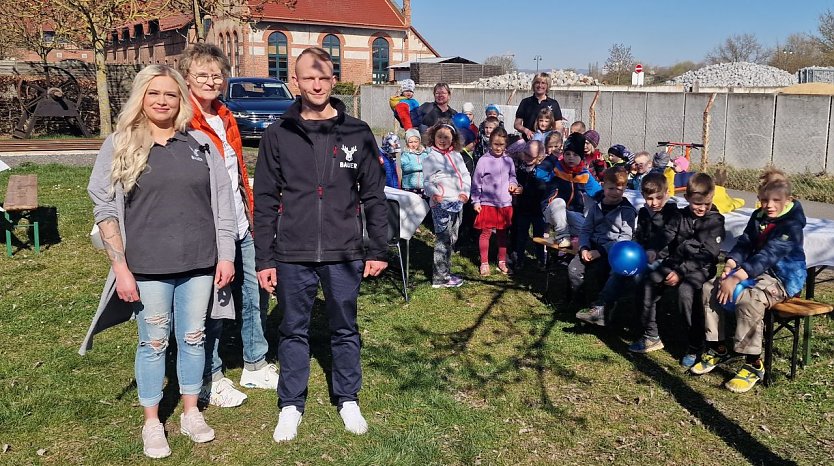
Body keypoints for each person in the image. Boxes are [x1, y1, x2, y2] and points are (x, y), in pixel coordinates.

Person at [84, 65, 237, 458]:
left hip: (199, 263)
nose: (162, 101)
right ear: (141, 97)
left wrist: (226, 256)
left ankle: (190, 411)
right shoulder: (120, 144)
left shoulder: (200, 144)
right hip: (147, 267)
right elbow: (105, 209)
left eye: (170, 94)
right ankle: (152, 421)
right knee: (153, 342)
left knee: (194, 337)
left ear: (181, 99)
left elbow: (223, 206)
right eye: (154, 93)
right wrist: (120, 268)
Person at [253, 47, 388, 442]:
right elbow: (265, 199)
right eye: (308, 78)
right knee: (293, 329)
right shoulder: (278, 133)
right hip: (292, 251)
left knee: (345, 327)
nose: (316, 85)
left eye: (323, 77)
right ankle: (291, 404)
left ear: (334, 80)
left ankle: (347, 398)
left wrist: (377, 248)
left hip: (344, 250)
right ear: (295, 81)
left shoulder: (357, 132)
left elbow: (374, 195)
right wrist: (265, 258)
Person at [179, 42, 278, 410]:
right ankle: (211, 376)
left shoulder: (225, 115)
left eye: (216, 75)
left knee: (255, 294)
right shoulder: (182, 120)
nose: (211, 81)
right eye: (202, 75)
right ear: (187, 77)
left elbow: (236, 172)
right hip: (208, 228)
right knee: (214, 303)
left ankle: (255, 363)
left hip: (241, 222)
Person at [692, 169, 806, 393]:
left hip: (782, 277)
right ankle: (718, 348)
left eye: (776, 200)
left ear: (788, 200)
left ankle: (753, 363)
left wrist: (737, 277)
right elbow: (745, 242)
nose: (769, 205)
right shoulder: (758, 216)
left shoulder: (791, 225)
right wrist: (731, 264)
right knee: (709, 288)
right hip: (752, 271)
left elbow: (769, 255)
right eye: (764, 200)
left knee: (750, 300)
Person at [636, 173, 725, 367]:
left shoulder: (715, 221)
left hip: (701, 268)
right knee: (650, 281)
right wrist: (653, 249)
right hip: (675, 262)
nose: (701, 208)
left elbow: (708, 254)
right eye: (696, 204)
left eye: (706, 204)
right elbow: (667, 234)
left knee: (686, 292)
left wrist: (681, 272)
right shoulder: (680, 215)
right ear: (687, 198)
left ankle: (695, 344)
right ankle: (651, 335)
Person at [572, 166, 638, 324]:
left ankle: (597, 309)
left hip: (611, 251)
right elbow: (586, 230)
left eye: (619, 189)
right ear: (603, 186)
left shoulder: (627, 210)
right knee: (574, 270)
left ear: (625, 188)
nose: (615, 192)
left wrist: (601, 251)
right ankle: (579, 303)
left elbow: (625, 238)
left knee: (596, 272)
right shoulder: (596, 207)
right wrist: (584, 247)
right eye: (611, 188)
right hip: (591, 247)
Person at [627, 172, 682, 353]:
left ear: (667, 193)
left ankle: (651, 335)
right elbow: (639, 235)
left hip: (666, 261)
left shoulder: (673, 214)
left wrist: (653, 250)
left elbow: (668, 236)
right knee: (620, 273)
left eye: (659, 198)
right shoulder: (644, 212)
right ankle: (604, 308)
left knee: (643, 280)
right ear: (643, 196)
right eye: (649, 198)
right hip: (645, 257)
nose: (654, 203)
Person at [422, 121, 471, 288]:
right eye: (439, 137)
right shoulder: (431, 158)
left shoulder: (457, 155)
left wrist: (465, 192)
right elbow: (427, 182)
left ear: (453, 139)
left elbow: (465, 175)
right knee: (443, 239)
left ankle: (446, 271)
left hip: (457, 202)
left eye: (446, 137)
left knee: (452, 238)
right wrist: (434, 193)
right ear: (433, 137)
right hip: (441, 203)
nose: (442, 140)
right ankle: (440, 278)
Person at [471, 126, 519, 275]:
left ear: (506, 144)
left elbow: (513, 176)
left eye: (501, 145)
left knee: (503, 234)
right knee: (485, 233)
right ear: (490, 143)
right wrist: (475, 201)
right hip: (487, 203)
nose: (498, 148)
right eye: (495, 144)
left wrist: (513, 184)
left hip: (505, 203)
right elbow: (476, 182)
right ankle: (484, 263)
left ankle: (502, 261)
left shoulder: (509, 160)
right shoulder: (483, 160)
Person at [541, 133, 602, 248]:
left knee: (586, 231)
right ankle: (562, 236)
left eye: (575, 155)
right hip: (552, 209)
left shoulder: (584, 174)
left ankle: (571, 248)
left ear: (581, 157)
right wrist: (551, 159)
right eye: (567, 154)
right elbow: (540, 175)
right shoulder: (556, 168)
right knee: (559, 202)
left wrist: (611, 199)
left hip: (572, 212)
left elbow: (597, 192)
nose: (571, 157)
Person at [512, 140, 548, 272]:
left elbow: (541, 189)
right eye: (525, 154)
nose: (527, 158)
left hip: (537, 209)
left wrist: (525, 190)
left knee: (538, 237)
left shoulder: (541, 171)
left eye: (530, 156)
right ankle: (519, 260)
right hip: (523, 208)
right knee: (521, 235)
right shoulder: (521, 168)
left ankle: (541, 260)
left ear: (539, 157)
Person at [514, 73, 563, 140]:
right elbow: (517, 124)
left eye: (543, 83)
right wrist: (526, 131)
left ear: (547, 86)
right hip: (528, 141)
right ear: (533, 84)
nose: (540, 85)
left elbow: (558, 126)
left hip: (547, 142)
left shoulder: (554, 103)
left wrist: (555, 139)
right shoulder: (525, 102)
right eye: (537, 82)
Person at [400, 128, 429, 195]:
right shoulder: (406, 154)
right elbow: (405, 167)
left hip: (423, 186)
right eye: (411, 142)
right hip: (409, 186)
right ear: (407, 142)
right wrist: (422, 166)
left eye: (416, 142)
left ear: (419, 141)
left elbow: (429, 166)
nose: (413, 144)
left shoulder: (424, 153)